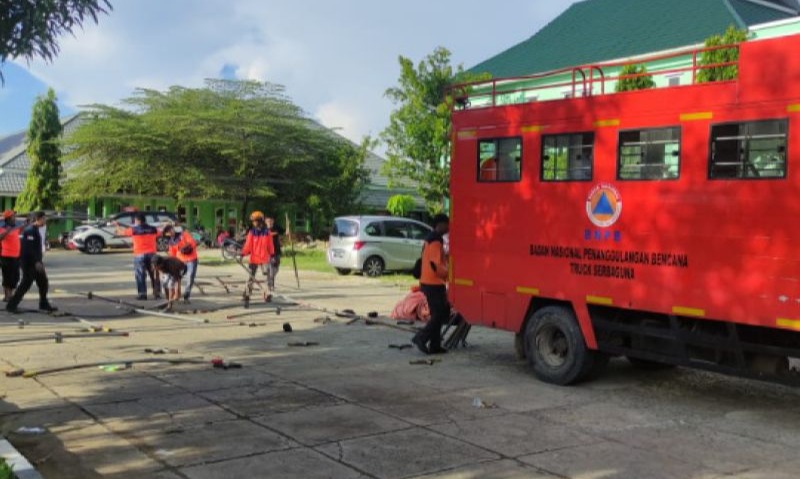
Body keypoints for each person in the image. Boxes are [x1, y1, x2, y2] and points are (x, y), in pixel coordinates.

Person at [411, 214, 450, 355]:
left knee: (437, 315)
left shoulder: (430, 238)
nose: (448, 227)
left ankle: (435, 345)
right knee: (439, 315)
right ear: (439, 225)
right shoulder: (435, 241)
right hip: (433, 283)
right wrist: (448, 274)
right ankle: (420, 338)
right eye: (447, 224)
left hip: (428, 281)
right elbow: (436, 265)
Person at [7, 211, 56, 313]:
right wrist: (36, 262)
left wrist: (39, 261)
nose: (45, 220)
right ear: (38, 219)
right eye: (44, 218)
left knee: (43, 282)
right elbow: (28, 249)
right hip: (29, 263)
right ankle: (11, 305)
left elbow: (36, 248)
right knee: (25, 284)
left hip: (36, 262)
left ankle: (43, 303)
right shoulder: (30, 231)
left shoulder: (36, 230)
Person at [116, 213, 161, 300]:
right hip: (152, 254)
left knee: (140, 275)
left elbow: (120, 232)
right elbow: (160, 233)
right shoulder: (153, 229)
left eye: (135, 221)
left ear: (137, 221)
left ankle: (142, 294)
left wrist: (117, 225)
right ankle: (157, 293)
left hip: (139, 255)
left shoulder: (133, 230)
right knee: (154, 275)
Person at [240, 210, 275, 302]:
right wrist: (243, 253)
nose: (254, 223)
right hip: (253, 259)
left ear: (260, 221)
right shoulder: (251, 233)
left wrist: (272, 254)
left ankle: (267, 294)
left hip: (264, 259)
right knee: (250, 277)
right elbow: (247, 245)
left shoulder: (267, 233)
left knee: (266, 278)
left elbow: (270, 245)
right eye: (253, 221)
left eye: (255, 221)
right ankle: (247, 294)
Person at [163, 224, 198, 302]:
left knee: (190, 277)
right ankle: (176, 294)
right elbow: (172, 254)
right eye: (168, 232)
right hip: (180, 261)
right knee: (176, 278)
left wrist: (187, 248)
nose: (170, 232)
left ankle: (186, 295)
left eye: (170, 230)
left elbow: (192, 243)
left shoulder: (184, 234)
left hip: (191, 259)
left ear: (173, 229)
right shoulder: (171, 242)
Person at [0, 210, 22, 301]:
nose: (14, 218)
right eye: (13, 217)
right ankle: (7, 296)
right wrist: (7, 231)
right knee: (7, 277)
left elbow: (22, 229)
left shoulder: (15, 227)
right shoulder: (2, 228)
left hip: (16, 256)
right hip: (6, 256)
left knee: (16, 276)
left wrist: (28, 223)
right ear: (8, 218)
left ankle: (10, 294)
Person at [264, 216, 284, 298]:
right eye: (268, 221)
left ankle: (269, 284)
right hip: (267, 254)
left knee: (275, 269)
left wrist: (287, 232)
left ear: (273, 221)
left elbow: (284, 233)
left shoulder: (277, 228)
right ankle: (270, 288)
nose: (270, 222)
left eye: (271, 221)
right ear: (265, 221)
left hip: (277, 252)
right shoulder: (263, 230)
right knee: (270, 270)